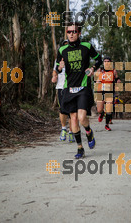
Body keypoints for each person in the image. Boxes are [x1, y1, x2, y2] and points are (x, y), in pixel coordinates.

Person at [56, 22, 102, 159]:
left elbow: (98, 59)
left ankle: (89, 131)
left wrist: (93, 69)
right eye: (69, 32)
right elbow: (57, 67)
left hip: (83, 87)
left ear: (79, 33)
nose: (71, 34)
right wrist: (59, 67)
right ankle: (80, 148)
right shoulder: (62, 50)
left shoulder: (86, 46)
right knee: (74, 119)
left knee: (82, 118)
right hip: (69, 89)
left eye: (74, 31)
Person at [52, 39, 75, 143]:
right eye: (65, 46)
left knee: (72, 112)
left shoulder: (75, 58)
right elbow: (54, 70)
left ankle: (71, 132)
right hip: (61, 87)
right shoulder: (58, 59)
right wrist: (54, 76)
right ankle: (63, 129)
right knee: (63, 109)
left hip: (73, 87)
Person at [96, 56, 121, 131]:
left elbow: (117, 78)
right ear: (103, 63)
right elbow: (95, 79)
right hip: (101, 92)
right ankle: (102, 113)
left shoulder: (113, 71)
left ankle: (106, 125)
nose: (106, 63)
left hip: (110, 92)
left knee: (109, 109)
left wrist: (118, 81)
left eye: (108, 62)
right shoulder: (100, 70)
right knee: (99, 110)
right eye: (105, 61)